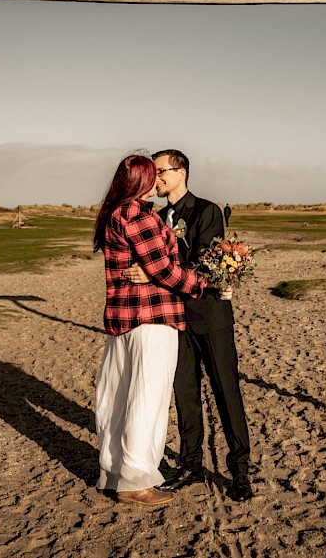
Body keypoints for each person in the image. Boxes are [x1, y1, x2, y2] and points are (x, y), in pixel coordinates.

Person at [127, 149, 253, 502]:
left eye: (161, 171)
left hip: (209, 317)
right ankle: (191, 465)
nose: (156, 179)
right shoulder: (153, 215)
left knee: (227, 393)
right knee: (185, 396)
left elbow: (203, 264)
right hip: (171, 318)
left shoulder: (206, 211)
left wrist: (152, 271)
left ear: (180, 172)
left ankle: (240, 471)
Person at [92, 154, 206, 507]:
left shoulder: (112, 213)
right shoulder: (138, 215)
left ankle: (113, 473)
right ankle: (137, 482)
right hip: (152, 318)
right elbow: (164, 271)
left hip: (122, 319)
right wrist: (203, 283)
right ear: (141, 182)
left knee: (116, 398)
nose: (158, 180)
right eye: (152, 175)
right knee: (147, 399)